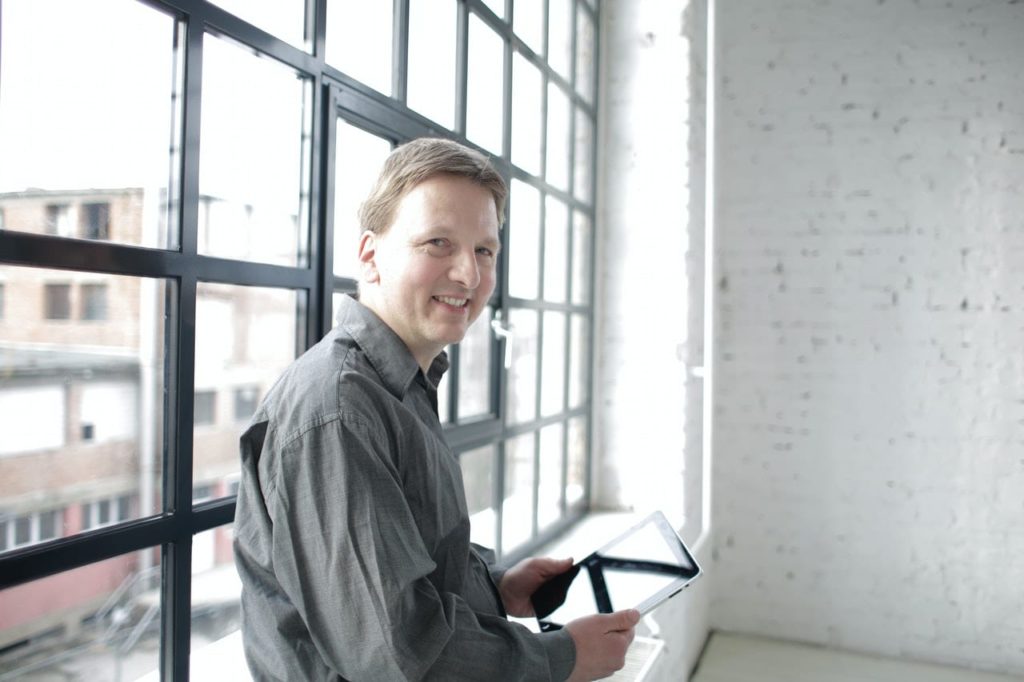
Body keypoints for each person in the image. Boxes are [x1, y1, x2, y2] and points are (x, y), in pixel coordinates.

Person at [233, 137, 639, 681]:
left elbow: (409, 562)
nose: (469, 275)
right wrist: (562, 658)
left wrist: (496, 587)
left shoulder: (400, 383)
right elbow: (396, 655)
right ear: (371, 255)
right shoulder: (337, 409)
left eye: (484, 251)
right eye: (438, 243)